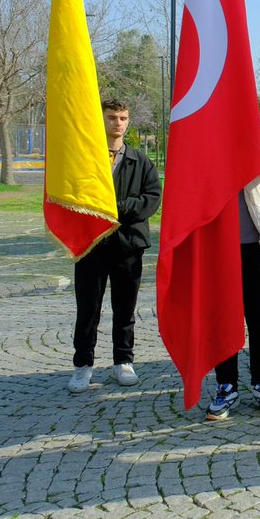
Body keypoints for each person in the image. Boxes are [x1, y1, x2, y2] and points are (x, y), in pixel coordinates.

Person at [68, 99, 161, 392]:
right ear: (102, 119)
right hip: (91, 244)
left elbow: (152, 198)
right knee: (88, 309)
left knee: (125, 308)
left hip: (127, 245)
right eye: (112, 117)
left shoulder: (140, 160)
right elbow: (76, 194)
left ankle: (123, 360)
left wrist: (114, 208)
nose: (117, 123)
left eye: (123, 118)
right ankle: (83, 365)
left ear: (128, 121)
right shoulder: (86, 159)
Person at [206, 127, 260, 420]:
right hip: (221, 244)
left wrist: (245, 135)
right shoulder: (210, 132)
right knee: (223, 317)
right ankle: (226, 385)